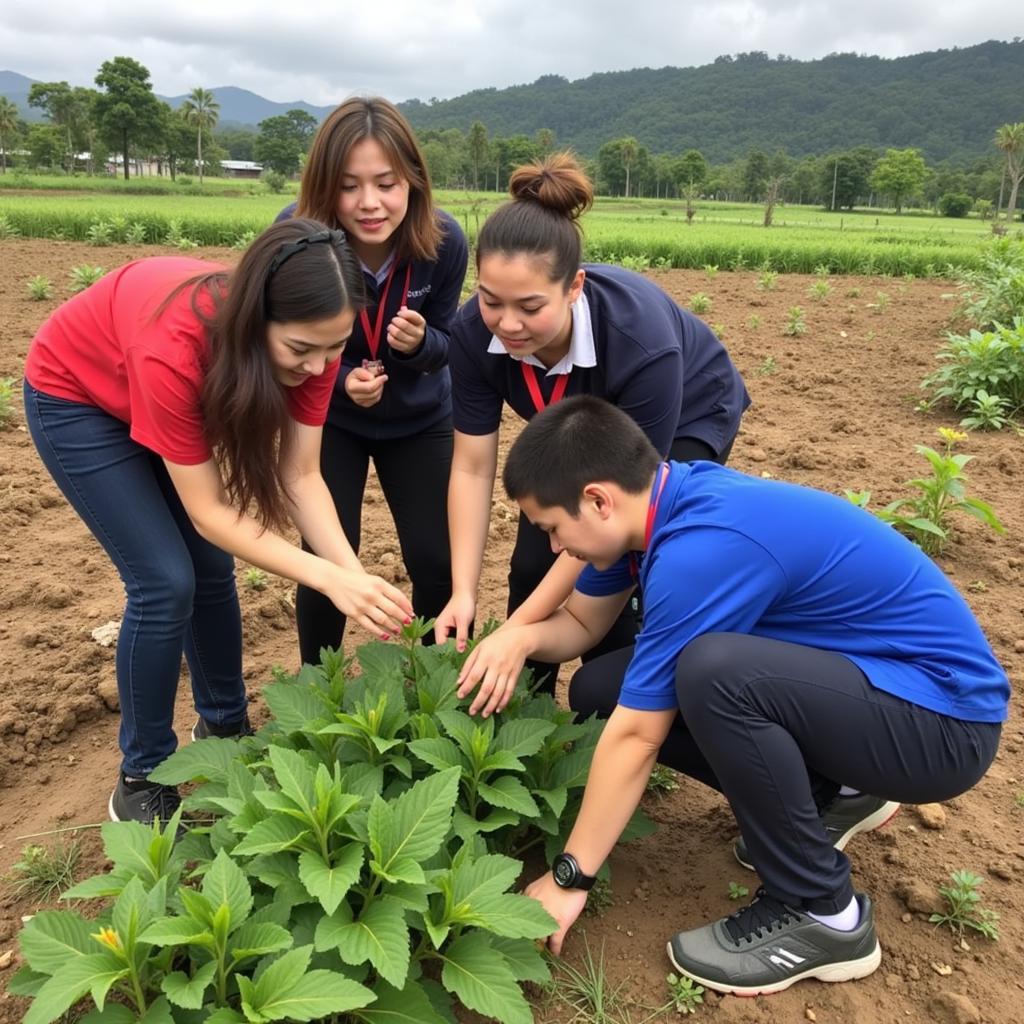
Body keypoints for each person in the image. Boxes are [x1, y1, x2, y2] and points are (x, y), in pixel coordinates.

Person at [457, 395, 1007, 996]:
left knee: (714, 674)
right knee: (600, 688)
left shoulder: (702, 549)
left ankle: (823, 914)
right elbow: (584, 627)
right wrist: (519, 638)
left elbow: (640, 735)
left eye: (553, 530)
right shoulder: (661, 506)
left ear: (597, 499)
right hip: (878, 694)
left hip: (942, 726)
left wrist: (569, 877)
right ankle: (838, 796)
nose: (557, 549)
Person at [23, 219, 414, 826]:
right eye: (301, 351)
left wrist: (351, 574)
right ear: (255, 324)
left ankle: (225, 727)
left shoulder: (315, 342)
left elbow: (302, 476)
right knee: (164, 582)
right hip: (78, 397)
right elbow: (209, 512)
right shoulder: (176, 346)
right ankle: (143, 774)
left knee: (211, 572)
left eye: (333, 351)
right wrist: (328, 580)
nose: (318, 368)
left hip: (157, 392)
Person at [434, 153, 749, 692]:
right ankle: (524, 711)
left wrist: (513, 630)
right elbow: (471, 466)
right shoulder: (471, 336)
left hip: (689, 410)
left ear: (574, 286)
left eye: (530, 307)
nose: (508, 324)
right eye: (491, 301)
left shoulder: (639, 343)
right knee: (535, 563)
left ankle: (624, 707)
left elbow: (624, 500)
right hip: (577, 426)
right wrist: (463, 590)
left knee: (625, 556)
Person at [276, 97, 468, 665]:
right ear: (323, 188)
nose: (369, 204)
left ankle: (436, 684)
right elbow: (283, 343)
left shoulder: (444, 241)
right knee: (330, 558)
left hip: (421, 418)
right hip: (329, 418)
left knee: (435, 558)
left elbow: (448, 342)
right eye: (349, 185)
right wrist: (339, 386)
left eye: (386, 183)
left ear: (413, 180)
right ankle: (319, 684)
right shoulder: (295, 236)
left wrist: (419, 346)